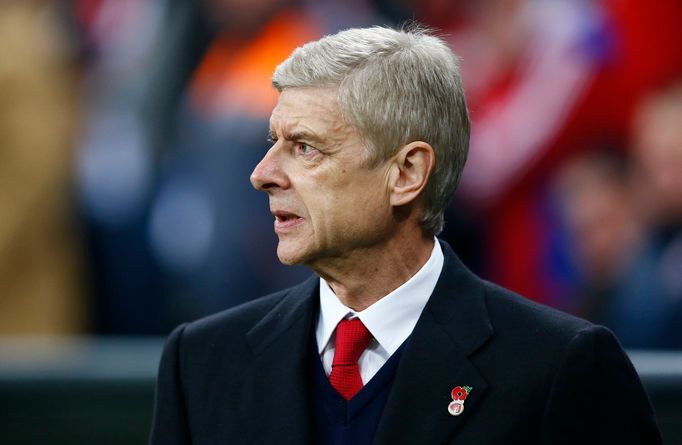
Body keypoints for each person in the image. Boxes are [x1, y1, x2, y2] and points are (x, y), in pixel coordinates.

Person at [149, 26, 660, 444]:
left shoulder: (559, 367)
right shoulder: (202, 362)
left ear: (407, 173)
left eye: (305, 148)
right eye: (273, 141)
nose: (262, 173)